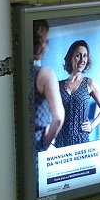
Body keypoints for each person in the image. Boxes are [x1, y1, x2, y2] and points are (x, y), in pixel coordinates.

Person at [54, 39, 100, 148]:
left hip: (81, 140)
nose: (82, 60)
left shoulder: (89, 83)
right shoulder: (58, 85)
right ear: (71, 58)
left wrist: (92, 126)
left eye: (85, 56)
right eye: (78, 55)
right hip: (61, 140)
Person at [32, 20, 64, 151]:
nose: (47, 46)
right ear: (39, 42)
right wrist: (46, 143)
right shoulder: (46, 75)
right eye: (46, 40)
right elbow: (58, 118)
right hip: (37, 148)